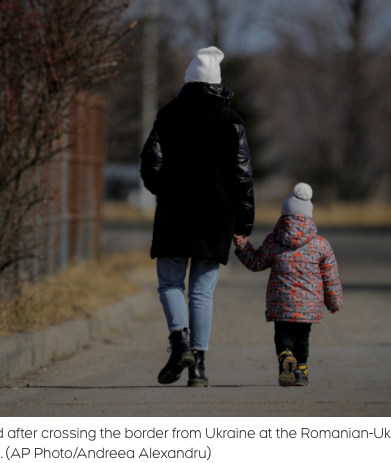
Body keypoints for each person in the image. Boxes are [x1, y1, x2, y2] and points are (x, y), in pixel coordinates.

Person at [140, 46, 255, 387]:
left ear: (189, 79)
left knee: (170, 283)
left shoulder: (169, 114)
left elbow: (150, 165)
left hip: (175, 213)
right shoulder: (233, 121)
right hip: (218, 216)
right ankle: (199, 369)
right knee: (202, 293)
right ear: (218, 83)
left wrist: (167, 191)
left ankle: (180, 342)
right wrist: (244, 223)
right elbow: (243, 177)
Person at [232, 183, 343, 387]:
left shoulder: (274, 241)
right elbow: (331, 277)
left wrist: (242, 245)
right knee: (303, 336)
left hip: (281, 302)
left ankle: (285, 356)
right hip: (308, 305)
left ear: (283, 215)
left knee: (283, 333)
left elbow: (255, 263)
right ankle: (301, 371)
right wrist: (334, 302)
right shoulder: (320, 244)